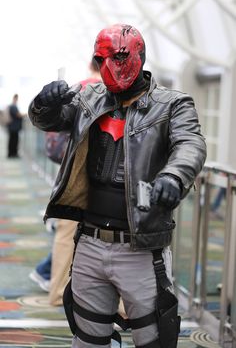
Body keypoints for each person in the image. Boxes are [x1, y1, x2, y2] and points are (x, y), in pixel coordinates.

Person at [28, 24, 207, 348]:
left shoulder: (172, 104)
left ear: (139, 54)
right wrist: (44, 103)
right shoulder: (88, 97)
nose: (112, 65)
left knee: (152, 338)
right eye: (103, 57)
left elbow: (190, 144)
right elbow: (47, 121)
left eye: (120, 56)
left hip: (140, 247)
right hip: (90, 242)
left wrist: (174, 176)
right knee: (88, 338)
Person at [30, 57, 101, 306]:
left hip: (71, 173)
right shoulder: (111, 94)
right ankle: (118, 305)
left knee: (66, 233)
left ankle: (58, 290)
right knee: (110, 238)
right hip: (100, 178)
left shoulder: (78, 87)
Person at [7, 94, 23, 158]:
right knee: (14, 141)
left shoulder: (12, 106)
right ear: (15, 98)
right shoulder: (13, 106)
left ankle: (11, 153)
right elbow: (18, 115)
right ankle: (13, 154)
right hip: (14, 127)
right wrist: (24, 115)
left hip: (12, 127)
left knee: (12, 140)